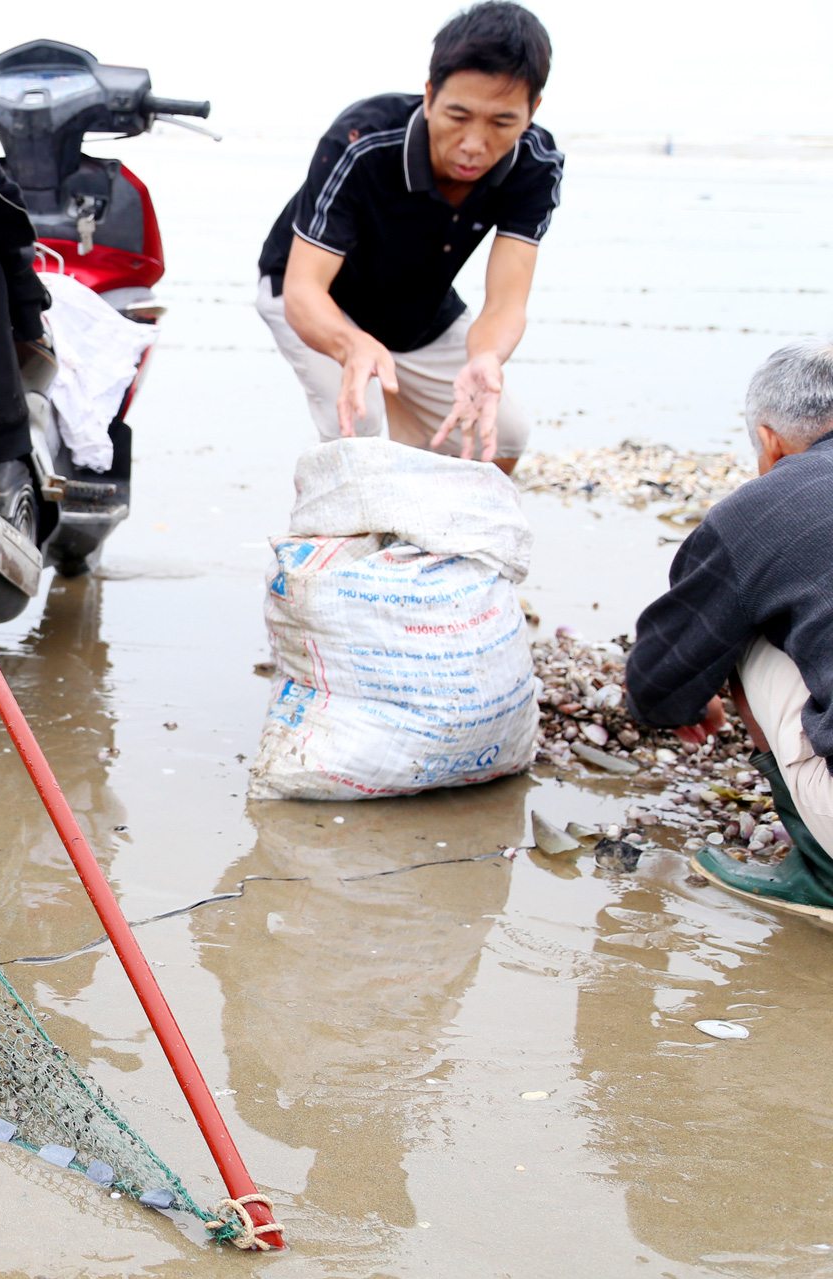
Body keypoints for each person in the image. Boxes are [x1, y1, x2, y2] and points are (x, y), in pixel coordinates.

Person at [256, 1, 562, 474]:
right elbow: (302, 289)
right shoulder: (362, 140)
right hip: (320, 300)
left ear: (532, 110)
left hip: (420, 308)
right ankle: (337, 540)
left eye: (502, 122)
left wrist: (487, 356)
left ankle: (436, 542)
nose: (474, 145)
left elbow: (506, 302)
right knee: (357, 429)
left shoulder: (536, 163)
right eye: (458, 116)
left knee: (504, 432)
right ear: (429, 95)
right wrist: (351, 344)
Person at [626, 341, 833, 914]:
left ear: (769, 441)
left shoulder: (765, 506)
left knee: (748, 618)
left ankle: (823, 875)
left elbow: (656, 683)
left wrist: (691, 699)